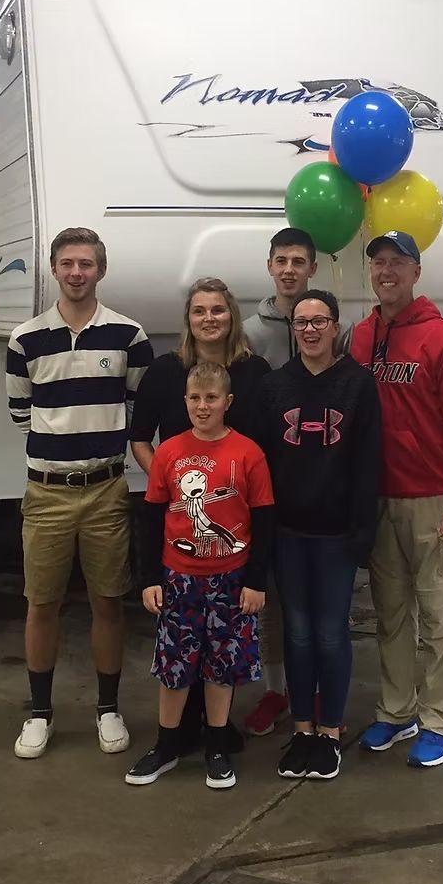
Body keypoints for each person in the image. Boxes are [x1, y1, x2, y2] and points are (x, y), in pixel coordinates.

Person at [6, 227, 153, 760]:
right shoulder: (25, 340)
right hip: (45, 495)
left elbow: (136, 409)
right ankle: (40, 714)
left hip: (106, 490)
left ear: (101, 270)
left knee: (107, 603)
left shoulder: (128, 336)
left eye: (86, 264)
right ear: (53, 268)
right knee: (40, 604)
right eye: (67, 263)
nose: (76, 272)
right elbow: (22, 415)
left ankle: (108, 709)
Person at [350, 230, 443, 769]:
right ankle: (398, 710)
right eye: (379, 262)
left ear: (416, 272)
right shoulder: (361, 339)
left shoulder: (441, 339)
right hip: (377, 500)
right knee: (391, 615)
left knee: (439, 615)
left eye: (398, 263)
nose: (387, 272)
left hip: (431, 500)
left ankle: (439, 721)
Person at [129, 277, 270, 752]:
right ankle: (179, 731)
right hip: (180, 536)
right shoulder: (165, 371)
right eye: (199, 311)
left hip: (237, 530)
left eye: (218, 310)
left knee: (221, 643)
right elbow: (140, 438)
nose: (209, 318)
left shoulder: (256, 372)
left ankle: (216, 728)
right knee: (182, 639)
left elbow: (265, 451)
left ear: (232, 315)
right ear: (188, 320)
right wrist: (166, 484)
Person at [254, 290, 380, 780]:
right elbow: (262, 468)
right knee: (298, 634)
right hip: (288, 534)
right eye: (301, 322)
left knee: (331, 633)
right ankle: (302, 730)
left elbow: (368, 463)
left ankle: (330, 733)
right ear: (293, 328)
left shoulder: (357, 384)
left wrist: (362, 532)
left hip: (335, 536)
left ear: (335, 327)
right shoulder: (274, 386)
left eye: (319, 321)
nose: (309, 330)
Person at [242, 228, 353, 737]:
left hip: (324, 496)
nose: (289, 269)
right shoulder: (249, 331)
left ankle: (314, 696)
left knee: (318, 613)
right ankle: (275, 690)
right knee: (273, 604)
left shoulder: (339, 332)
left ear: (312, 269)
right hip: (270, 490)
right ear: (269, 266)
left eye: (299, 262)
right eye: (280, 260)